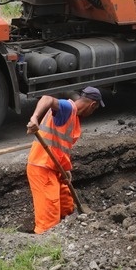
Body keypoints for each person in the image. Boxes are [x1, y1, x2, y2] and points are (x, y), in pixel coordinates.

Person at [25, 86, 104, 234]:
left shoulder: (73, 117)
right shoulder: (68, 109)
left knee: (67, 206)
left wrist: (66, 169)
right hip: (42, 168)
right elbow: (47, 98)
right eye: (94, 110)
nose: (92, 113)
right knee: (48, 218)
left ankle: (67, 229)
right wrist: (34, 117)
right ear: (92, 105)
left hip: (55, 167)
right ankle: (44, 243)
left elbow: (60, 146)